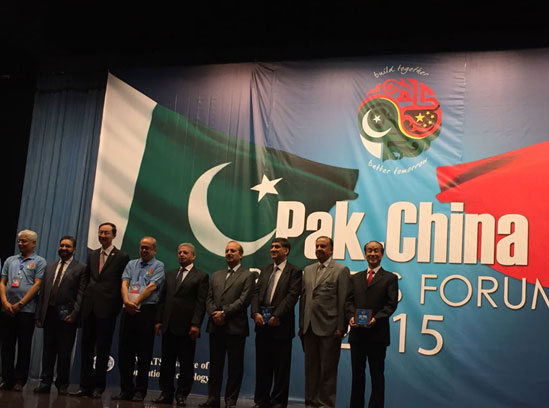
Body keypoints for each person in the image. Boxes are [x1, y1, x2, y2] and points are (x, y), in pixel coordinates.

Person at [72, 222, 129, 398]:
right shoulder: (93, 254)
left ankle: (99, 387)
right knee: (86, 348)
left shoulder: (122, 257)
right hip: (89, 308)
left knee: (103, 349)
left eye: (106, 233)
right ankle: (85, 386)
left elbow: (122, 284)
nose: (102, 236)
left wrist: (115, 307)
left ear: (114, 235)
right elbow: (87, 280)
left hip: (107, 309)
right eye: (100, 232)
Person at [200, 241, 255, 408]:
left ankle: (230, 401)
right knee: (215, 366)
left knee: (234, 367)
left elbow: (244, 300)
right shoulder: (216, 275)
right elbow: (208, 298)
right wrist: (214, 314)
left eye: (233, 251)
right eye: (227, 251)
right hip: (215, 326)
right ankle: (213, 399)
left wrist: (224, 313)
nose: (229, 253)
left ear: (241, 255)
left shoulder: (248, 275)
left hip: (235, 327)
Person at [153, 243, 208, 406]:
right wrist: (159, 320)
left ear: (193, 256)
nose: (181, 255)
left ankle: (182, 394)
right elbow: (162, 300)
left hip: (187, 328)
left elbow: (200, 303)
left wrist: (196, 324)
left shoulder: (201, 276)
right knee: (166, 362)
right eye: (179, 252)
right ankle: (166, 393)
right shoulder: (170, 274)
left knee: (186, 363)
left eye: (185, 252)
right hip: (168, 325)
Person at [346, 241, 398, 408]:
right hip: (357, 335)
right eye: (369, 251)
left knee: (377, 376)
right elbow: (348, 302)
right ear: (365, 254)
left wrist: (376, 318)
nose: (372, 254)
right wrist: (351, 317)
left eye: (376, 251)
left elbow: (391, 304)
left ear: (382, 254)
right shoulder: (355, 278)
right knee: (357, 377)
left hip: (377, 335)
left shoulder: (390, 278)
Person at [299, 236, 350, 408]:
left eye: (323, 246)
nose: (319, 249)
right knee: (310, 369)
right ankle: (310, 403)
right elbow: (304, 299)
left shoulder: (341, 270)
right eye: (317, 246)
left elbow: (343, 300)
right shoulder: (308, 269)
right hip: (308, 327)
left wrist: (341, 327)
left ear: (331, 249)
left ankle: (325, 404)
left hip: (330, 328)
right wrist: (301, 325)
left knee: (328, 370)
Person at [251, 238, 302, 408]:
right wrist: (255, 313)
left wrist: (277, 315)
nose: (272, 249)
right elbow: (256, 293)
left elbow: (292, 296)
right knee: (262, 367)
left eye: (277, 247)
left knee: (281, 369)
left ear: (286, 251)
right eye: (272, 247)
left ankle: (278, 402)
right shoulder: (265, 270)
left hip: (281, 327)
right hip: (262, 326)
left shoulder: (294, 271)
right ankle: (261, 401)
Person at [112, 236, 165, 401]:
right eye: (142, 247)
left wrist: (135, 302)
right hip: (127, 310)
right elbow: (124, 284)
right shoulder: (131, 264)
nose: (144, 250)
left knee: (144, 353)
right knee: (124, 353)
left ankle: (140, 391)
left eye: (147, 248)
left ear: (154, 250)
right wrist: (126, 302)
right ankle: (126, 390)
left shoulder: (158, 265)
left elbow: (152, 287)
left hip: (146, 311)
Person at [34, 235, 87, 395]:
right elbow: (43, 293)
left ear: (74, 249)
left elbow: (81, 294)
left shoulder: (81, 268)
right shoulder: (50, 266)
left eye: (68, 246)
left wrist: (75, 313)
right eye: (62, 245)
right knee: (47, 351)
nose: (64, 248)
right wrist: (39, 315)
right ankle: (45, 382)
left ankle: (62, 384)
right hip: (49, 314)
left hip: (67, 316)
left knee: (64, 352)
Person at [0, 229, 46, 391]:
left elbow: (38, 284)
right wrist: (4, 302)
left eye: (24, 241)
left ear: (33, 243)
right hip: (7, 309)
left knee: (24, 346)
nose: (20, 243)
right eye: (19, 240)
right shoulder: (10, 260)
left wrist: (21, 303)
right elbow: (2, 282)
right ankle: (7, 379)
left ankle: (20, 380)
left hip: (27, 311)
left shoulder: (39, 261)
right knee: (7, 345)